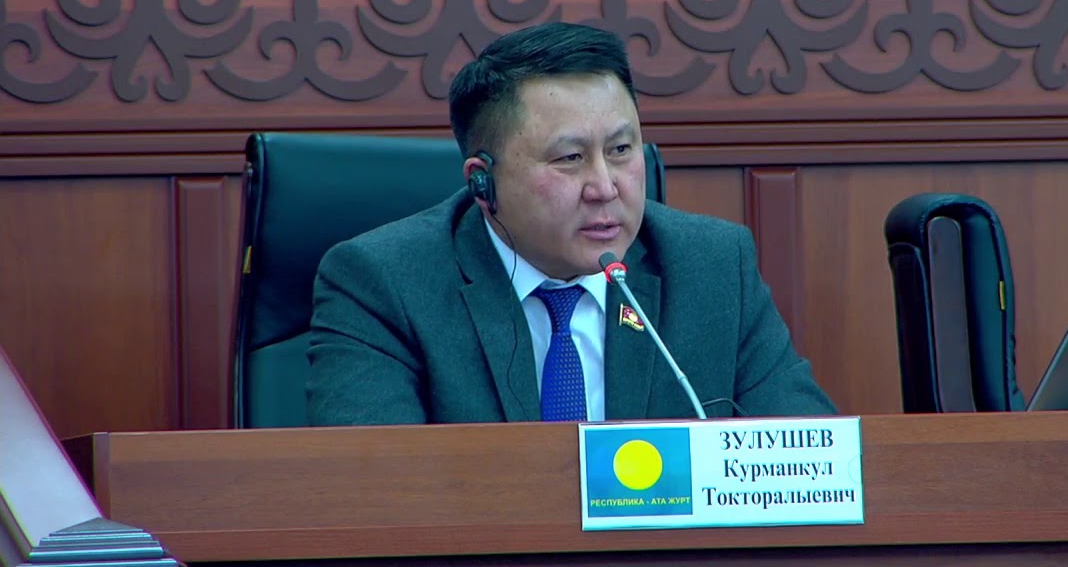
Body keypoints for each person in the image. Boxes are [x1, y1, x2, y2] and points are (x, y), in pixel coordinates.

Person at [306, 22, 835, 425]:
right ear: (482, 184)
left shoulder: (713, 267)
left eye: (621, 150)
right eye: (569, 159)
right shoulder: (384, 284)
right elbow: (374, 488)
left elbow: (810, 467)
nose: (605, 187)